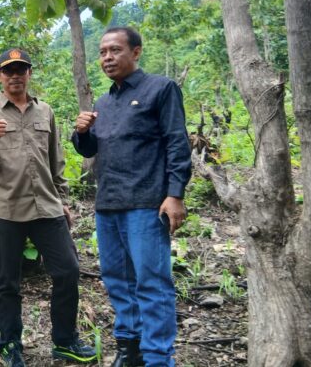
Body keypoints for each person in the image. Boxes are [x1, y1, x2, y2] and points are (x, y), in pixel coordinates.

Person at [0, 49, 96, 367]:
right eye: (8, 70)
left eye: (21, 69)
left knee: (68, 271)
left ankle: (64, 341)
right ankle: (10, 344)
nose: (15, 75)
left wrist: (63, 201)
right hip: (5, 210)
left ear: (29, 73)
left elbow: (55, 159)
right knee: (6, 282)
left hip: (46, 208)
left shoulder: (45, 111)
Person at [72, 27, 191, 367]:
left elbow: (177, 143)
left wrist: (175, 194)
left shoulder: (161, 89)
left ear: (136, 52)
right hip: (108, 204)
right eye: (102, 52)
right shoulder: (104, 101)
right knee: (117, 280)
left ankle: (157, 357)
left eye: (115, 50)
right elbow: (92, 148)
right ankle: (129, 349)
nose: (107, 57)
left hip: (146, 202)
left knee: (152, 283)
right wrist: (81, 133)